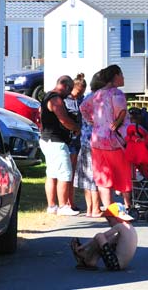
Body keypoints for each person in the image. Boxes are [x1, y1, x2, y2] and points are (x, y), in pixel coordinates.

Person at [80, 64, 133, 212]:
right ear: (115, 76)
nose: (123, 77)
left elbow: (83, 108)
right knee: (123, 174)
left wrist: (94, 121)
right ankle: (128, 206)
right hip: (114, 140)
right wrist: (116, 123)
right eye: (121, 74)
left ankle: (109, 209)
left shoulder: (96, 94)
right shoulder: (116, 93)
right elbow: (121, 112)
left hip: (97, 139)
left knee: (103, 176)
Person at [42, 75, 82, 215]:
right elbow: (64, 119)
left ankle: (52, 206)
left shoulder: (48, 96)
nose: (69, 93)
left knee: (52, 174)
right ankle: (63, 206)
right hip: (56, 141)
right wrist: (76, 128)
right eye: (69, 89)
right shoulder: (55, 99)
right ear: (64, 86)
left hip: (48, 140)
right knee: (65, 173)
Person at [70, 202, 138, 271]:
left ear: (116, 218)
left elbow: (100, 236)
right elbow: (110, 240)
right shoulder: (130, 227)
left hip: (115, 264)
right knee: (107, 240)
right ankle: (91, 261)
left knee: (100, 236)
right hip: (121, 265)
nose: (109, 224)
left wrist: (83, 246)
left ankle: (84, 254)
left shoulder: (120, 226)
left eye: (109, 220)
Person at [67, 74, 97, 216]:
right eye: (77, 92)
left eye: (81, 93)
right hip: (72, 138)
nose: (79, 95)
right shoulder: (66, 101)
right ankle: (68, 202)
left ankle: (74, 202)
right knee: (70, 171)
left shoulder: (82, 100)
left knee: (78, 171)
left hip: (80, 139)